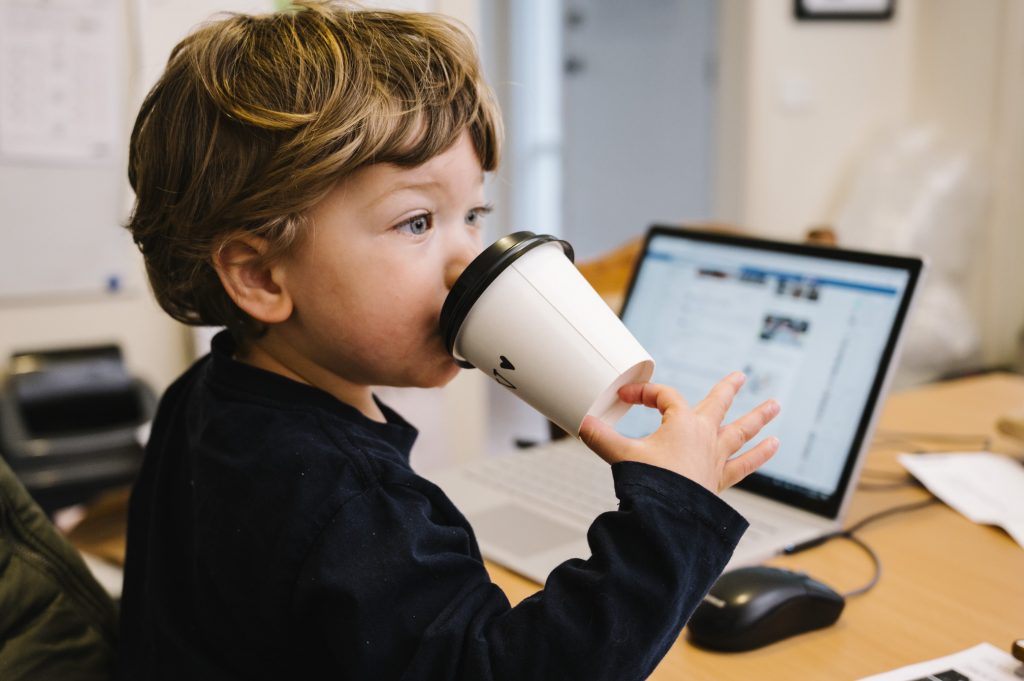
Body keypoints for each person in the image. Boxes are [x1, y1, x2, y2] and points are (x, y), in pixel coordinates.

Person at [118, 2, 781, 679]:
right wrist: (672, 513)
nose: (469, 261)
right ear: (260, 275)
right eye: (416, 222)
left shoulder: (203, 399)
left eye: (473, 214)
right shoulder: (352, 502)